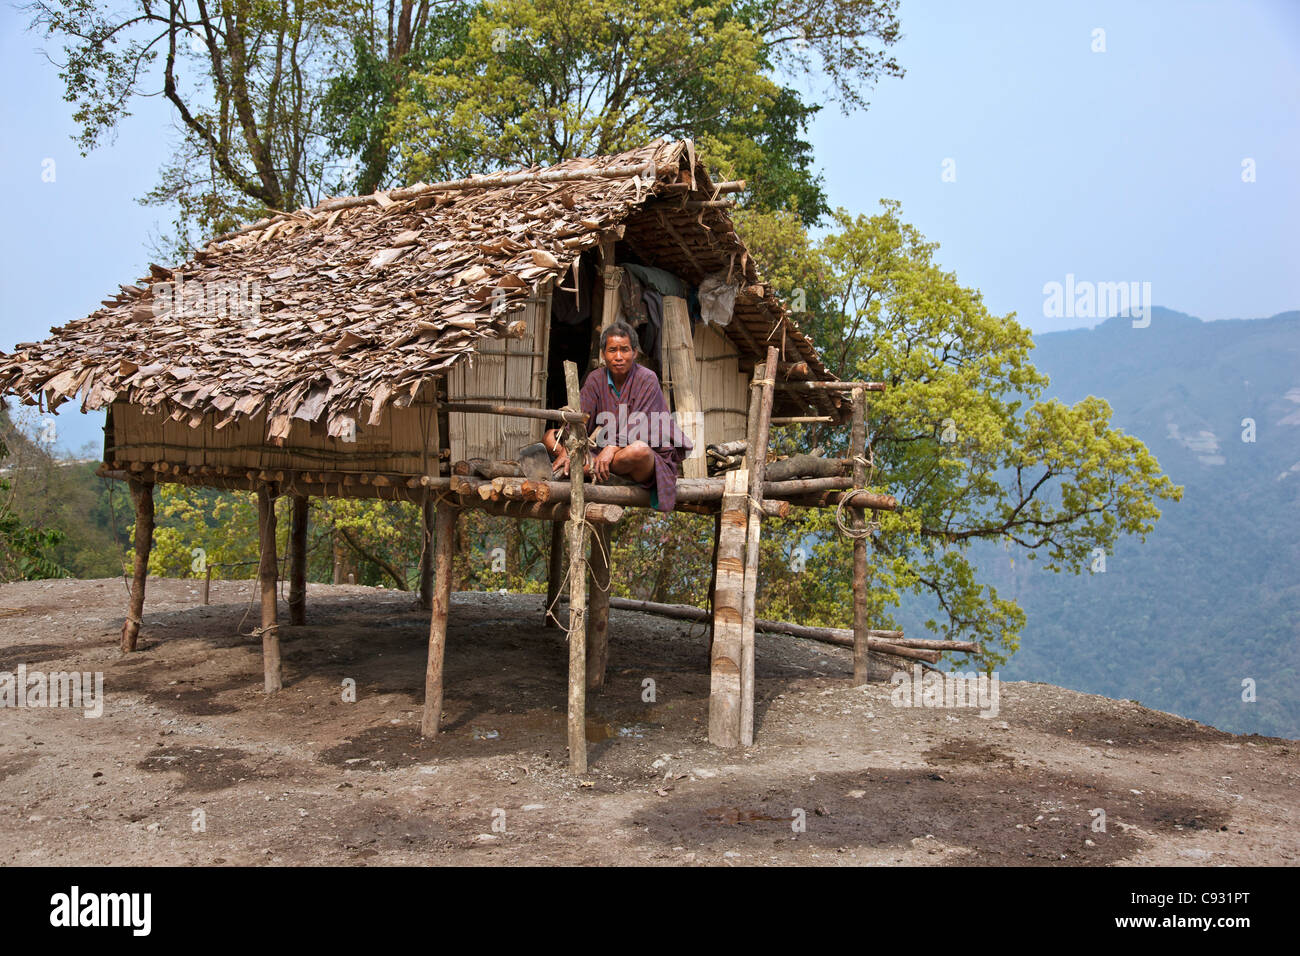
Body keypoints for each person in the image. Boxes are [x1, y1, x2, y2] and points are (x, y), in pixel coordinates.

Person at [541, 320, 691, 512]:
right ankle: (586, 466)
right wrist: (568, 449)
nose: (618, 356)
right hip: (603, 454)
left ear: (634, 353)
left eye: (624, 350)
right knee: (549, 437)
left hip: (639, 458)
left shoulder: (647, 379)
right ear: (603, 354)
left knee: (639, 450)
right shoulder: (596, 379)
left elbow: (639, 424)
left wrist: (612, 448)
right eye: (612, 350)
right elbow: (580, 418)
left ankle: (584, 469)